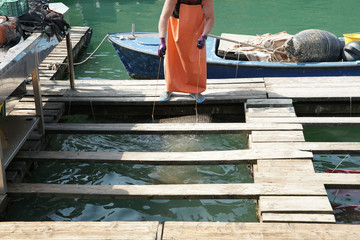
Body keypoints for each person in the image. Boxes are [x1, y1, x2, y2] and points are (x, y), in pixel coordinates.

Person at [157, 0, 215, 103]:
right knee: (172, 59)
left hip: (196, 32)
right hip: (175, 29)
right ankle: (169, 88)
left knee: (195, 61)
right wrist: (161, 40)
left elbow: (210, 19)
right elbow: (164, 17)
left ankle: (195, 90)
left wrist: (204, 36)